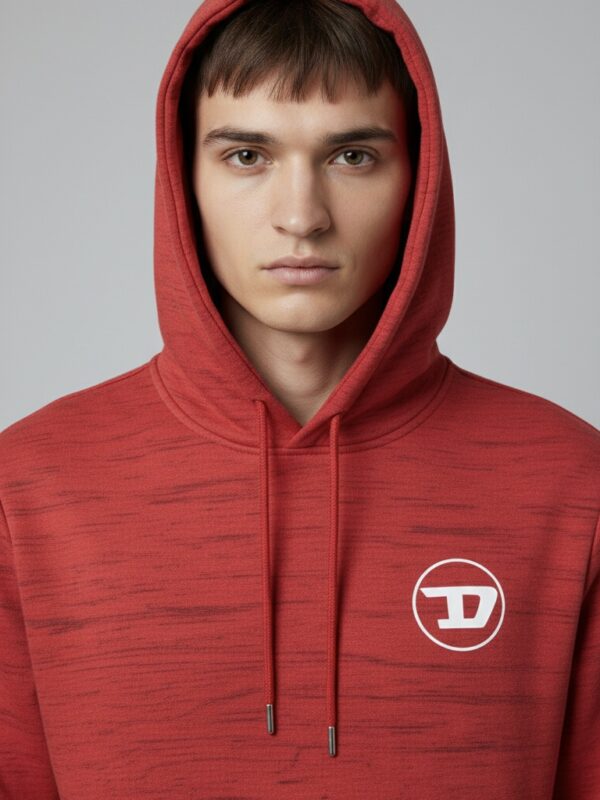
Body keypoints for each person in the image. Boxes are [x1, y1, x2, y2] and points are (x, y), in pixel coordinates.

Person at [0, 0, 597, 797]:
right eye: (247, 155)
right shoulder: (27, 489)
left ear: (420, 179)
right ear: (183, 178)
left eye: (352, 156)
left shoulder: (571, 485)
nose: (301, 217)